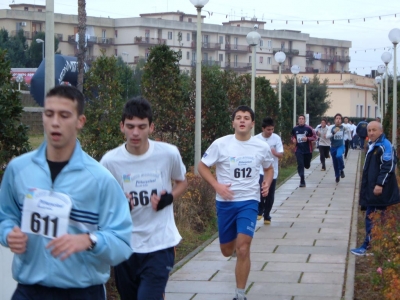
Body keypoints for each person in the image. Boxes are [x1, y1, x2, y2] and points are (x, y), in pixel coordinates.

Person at [0, 85, 133, 300]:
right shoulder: (18, 170)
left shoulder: (100, 180)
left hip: (82, 292)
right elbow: (5, 216)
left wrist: (90, 240)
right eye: (49, 114)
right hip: (29, 290)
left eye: (64, 115)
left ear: (80, 121)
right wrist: (8, 233)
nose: (55, 122)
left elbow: (123, 243)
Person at [100, 97, 188, 300]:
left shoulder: (168, 154)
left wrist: (170, 197)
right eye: (130, 126)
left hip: (160, 243)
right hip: (126, 245)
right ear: (122, 126)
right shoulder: (110, 161)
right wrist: (119, 206)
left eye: (142, 126)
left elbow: (182, 182)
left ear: (151, 127)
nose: (136, 133)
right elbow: (101, 202)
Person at [198, 105, 273, 300]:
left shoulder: (261, 147)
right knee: (226, 251)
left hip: (249, 201)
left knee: (243, 247)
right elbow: (202, 166)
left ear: (252, 124)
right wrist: (217, 185)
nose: (242, 120)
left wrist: (267, 181)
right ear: (233, 122)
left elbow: (269, 168)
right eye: (238, 117)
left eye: (246, 118)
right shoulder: (221, 144)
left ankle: (240, 294)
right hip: (225, 202)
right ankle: (232, 250)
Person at [350, 121, 399, 255]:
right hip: (372, 189)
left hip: (380, 190)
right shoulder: (374, 145)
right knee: (373, 216)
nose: (371, 133)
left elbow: (388, 166)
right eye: (369, 130)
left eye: (374, 130)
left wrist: (379, 184)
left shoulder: (384, 145)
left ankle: (369, 245)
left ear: (381, 131)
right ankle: (377, 245)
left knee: (373, 217)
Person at [255, 117, 284, 225]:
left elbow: (281, 154)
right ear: (263, 129)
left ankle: (267, 215)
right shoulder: (256, 139)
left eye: (272, 129)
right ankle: (260, 210)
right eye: (268, 129)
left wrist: (274, 152)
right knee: (261, 191)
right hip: (260, 171)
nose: (270, 132)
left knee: (270, 193)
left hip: (272, 171)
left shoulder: (276, 138)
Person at [291, 114, 317, 187]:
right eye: (300, 119)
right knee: (301, 164)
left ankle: (302, 167)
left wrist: (307, 139)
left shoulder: (309, 128)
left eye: (302, 119)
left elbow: (315, 137)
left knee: (307, 165)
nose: (301, 120)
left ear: (305, 120)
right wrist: (293, 139)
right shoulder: (295, 128)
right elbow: (292, 136)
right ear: (298, 120)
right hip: (298, 149)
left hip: (308, 150)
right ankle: (302, 180)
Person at [326, 113, 350, 183]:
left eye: (339, 119)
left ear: (341, 120)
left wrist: (349, 138)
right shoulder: (331, 127)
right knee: (335, 162)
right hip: (333, 147)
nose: (338, 120)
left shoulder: (343, 127)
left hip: (341, 146)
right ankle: (337, 176)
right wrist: (333, 133)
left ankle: (342, 169)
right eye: (337, 118)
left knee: (339, 156)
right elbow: (327, 136)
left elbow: (348, 132)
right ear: (334, 120)